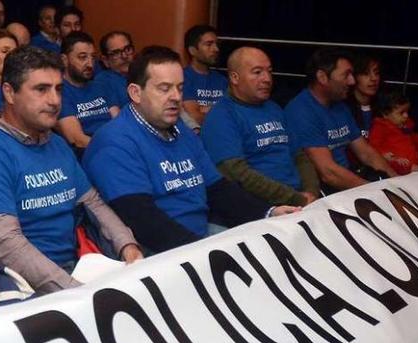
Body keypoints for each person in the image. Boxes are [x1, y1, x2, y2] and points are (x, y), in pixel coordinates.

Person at [0, 47, 142, 294]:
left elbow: (93, 204)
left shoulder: (57, 144)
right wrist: (74, 290)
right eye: (41, 89)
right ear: (10, 93)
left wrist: (128, 248)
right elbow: (9, 247)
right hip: (25, 285)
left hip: (78, 268)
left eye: (59, 89)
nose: (54, 101)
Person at [83, 46, 299, 254]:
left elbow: (218, 189)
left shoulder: (181, 130)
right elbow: (141, 219)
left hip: (199, 236)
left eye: (180, 87)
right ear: (135, 93)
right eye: (164, 88)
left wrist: (268, 212)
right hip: (155, 251)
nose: (176, 97)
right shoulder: (114, 142)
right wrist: (204, 252)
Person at [201, 47, 319, 207]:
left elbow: (299, 156)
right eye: (257, 72)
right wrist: (295, 198)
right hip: (264, 207)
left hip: (302, 200)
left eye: (269, 72)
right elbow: (236, 173)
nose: (267, 79)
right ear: (234, 77)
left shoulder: (274, 108)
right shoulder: (221, 116)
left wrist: (311, 192)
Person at [284, 47, 396, 192]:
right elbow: (328, 173)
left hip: (348, 179)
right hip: (324, 189)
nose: (352, 81)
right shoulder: (300, 111)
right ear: (322, 77)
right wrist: (374, 191)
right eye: (346, 75)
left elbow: (366, 153)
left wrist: (398, 183)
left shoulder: (340, 107)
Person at [57, 31, 118, 151]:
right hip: (89, 154)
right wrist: (115, 149)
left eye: (92, 57)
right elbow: (77, 139)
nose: (90, 64)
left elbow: (120, 124)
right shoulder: (58, 92)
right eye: (82, 57)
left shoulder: (101, 86)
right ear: (64, 60)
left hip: (115, 146)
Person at [368, 90, 418, 175]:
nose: (406, 116)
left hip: (417, 161)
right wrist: (388, 156)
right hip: (397, 163)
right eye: (401, 113)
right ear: (385, 114)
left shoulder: (406, 125)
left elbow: (416, 138)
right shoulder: (380, 127)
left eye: (407, 112)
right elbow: (373, 146)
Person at [181, 25, 225, 129]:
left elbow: (231, 113)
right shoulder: (183, 77)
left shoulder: (222, 80)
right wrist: (217, 110)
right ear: (192, 50)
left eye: (216, 44)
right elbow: (195, 117)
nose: (216, 49)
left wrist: (203, 109)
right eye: (209, 44)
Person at [95, 30, 134, 108]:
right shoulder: (103, 81)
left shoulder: (143, 72)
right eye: (116, 53)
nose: (124, 56)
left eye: (127, 49)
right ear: (105, 60)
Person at [346, 52, 381, 138]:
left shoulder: (384, 107)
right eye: (366, 73)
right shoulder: (344, 108)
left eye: (376, 73)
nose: (374, 78)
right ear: (353, 77)